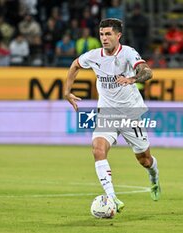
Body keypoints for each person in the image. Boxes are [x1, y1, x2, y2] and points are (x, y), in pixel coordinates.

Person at [64, 18, 161, 213]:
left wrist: (132, 78)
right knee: (97, 150)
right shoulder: (93, 56)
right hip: (106, 112)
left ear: (118, 36)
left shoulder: (128, 53)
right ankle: (113, 198)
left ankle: (154, 177)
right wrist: (67, 92)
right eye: (101, 34)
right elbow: (75, 65)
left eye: (108, 34)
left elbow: (147, 72)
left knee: (145, 160)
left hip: (130, 113)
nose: (104, 38)